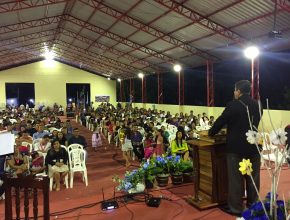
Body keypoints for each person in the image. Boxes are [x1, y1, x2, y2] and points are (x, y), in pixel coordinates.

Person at [208, 80, 262, 217]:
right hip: (254, 147)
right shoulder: (258, 105)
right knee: (253, 179)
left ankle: (236, 208)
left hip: (236, 149)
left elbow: (220, 121)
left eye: (234, 90)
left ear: (238, 91)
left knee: (236, 180)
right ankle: (253, 205)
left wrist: (211, 132)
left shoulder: (233, 105)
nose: (234, 93)